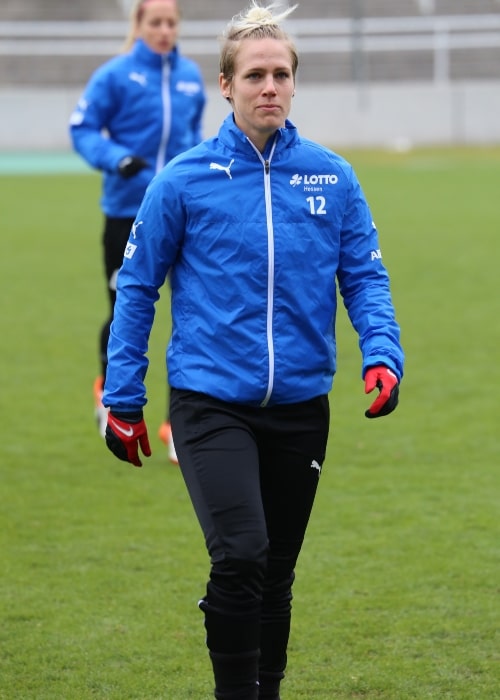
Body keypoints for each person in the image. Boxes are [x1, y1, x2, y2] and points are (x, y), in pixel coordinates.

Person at [102, 1, 404, 697]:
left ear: (295, 84)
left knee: (277, 572)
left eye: (280, 74)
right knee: (240, 554)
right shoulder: (182, 180)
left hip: (301, 404)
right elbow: (138, 289)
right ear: (226, 86)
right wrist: (123, 397)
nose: (268, 86)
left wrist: (382, 352)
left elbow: (364, 275)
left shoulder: (333, 177)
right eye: (254, 75)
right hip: (210, 402)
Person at [69, 0, 206, 463]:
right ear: (139, 25)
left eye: (171, 22)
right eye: (156, 22)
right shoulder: (115, 75)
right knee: (124, 311)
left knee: (191, 317)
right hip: (127, 214)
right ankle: (111, 392)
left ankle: (177, 427)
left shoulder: (191, 77)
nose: (164, 30)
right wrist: (116, 160)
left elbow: (194, 139)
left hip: (184, 214)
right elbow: (82, 128)